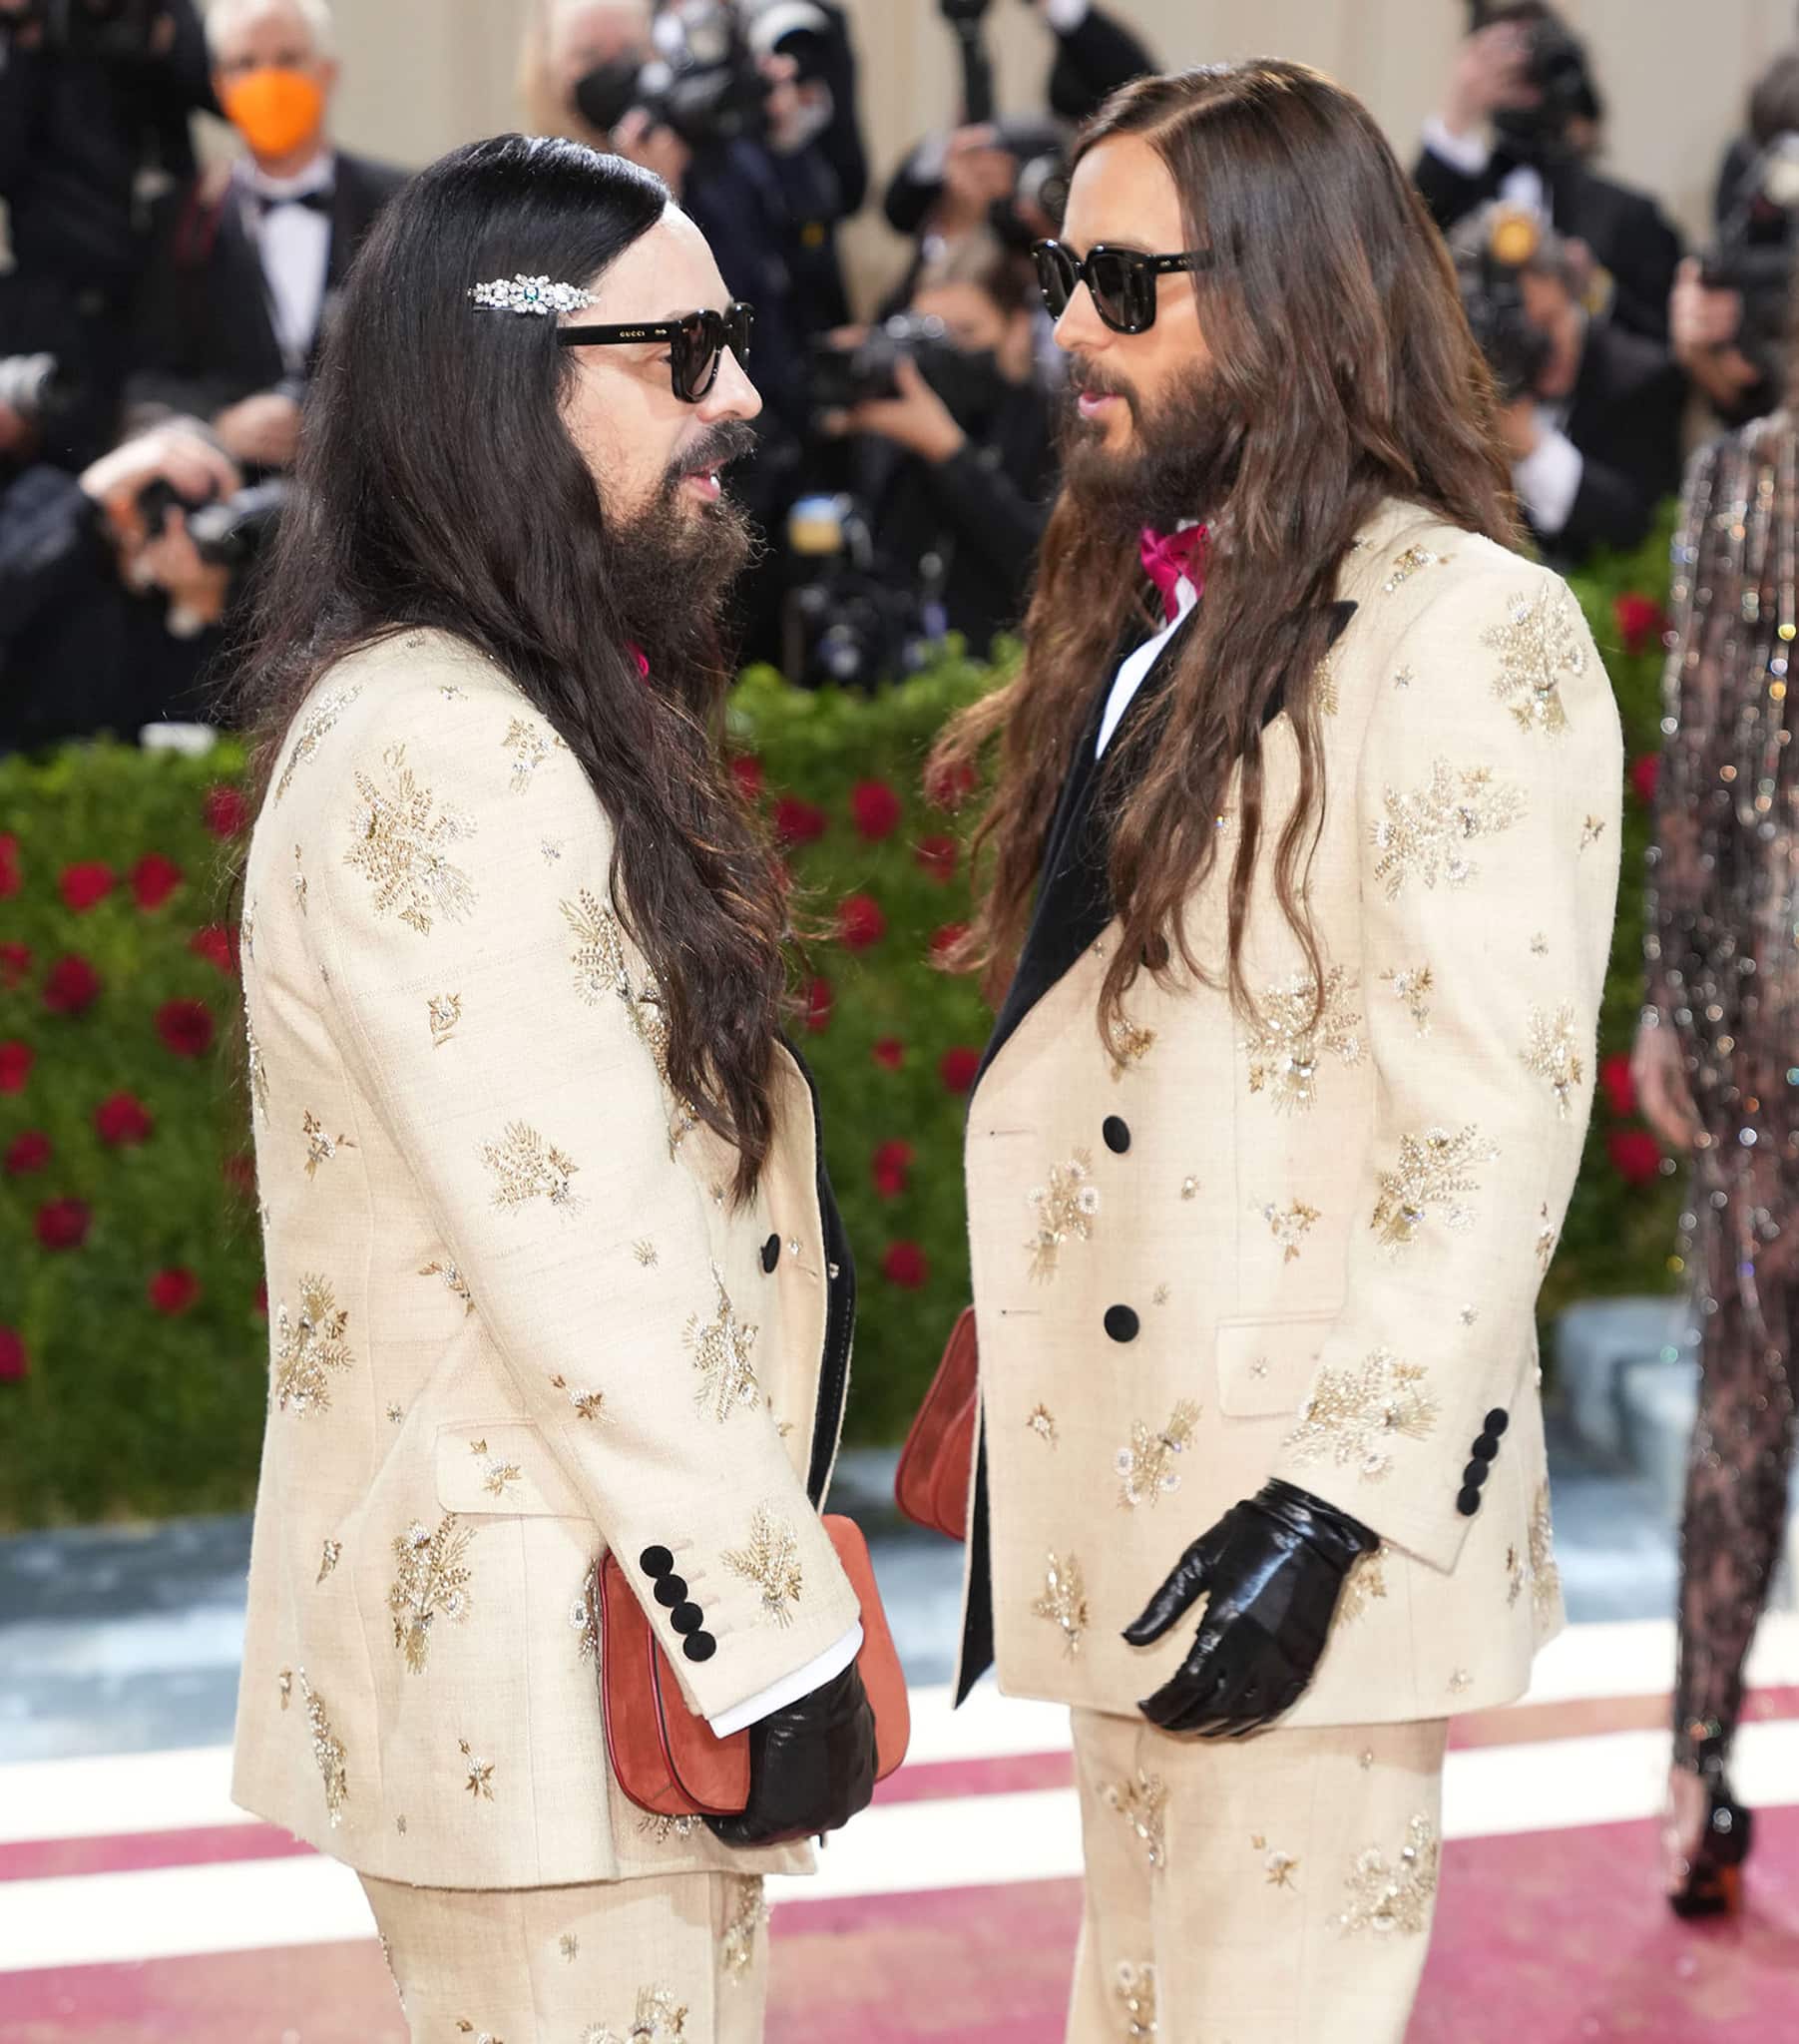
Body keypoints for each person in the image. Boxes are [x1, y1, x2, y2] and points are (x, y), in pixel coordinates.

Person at [929, 62, 1619, 2041]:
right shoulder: (1160, 612)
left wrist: (1329, 1510)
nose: (1066, 325)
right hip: (1139, 1494)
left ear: (1291, 296)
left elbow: (1487, 1128)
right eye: (1061, 268)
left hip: (1294, 1517)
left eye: (1122, 282)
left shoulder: (1467, 630)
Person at [225, 134, 875, 2038]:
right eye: (683, 351)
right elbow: (576, 1239)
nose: (739, 392)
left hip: (576, 1657)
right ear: (510, 375)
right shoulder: (437, 744)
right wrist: (769, 1629)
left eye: (733, 340)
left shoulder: (502, 705)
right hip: (554, 1667)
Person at [1631, 408, 1799, 1918]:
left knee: (1744, 1399)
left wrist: (1667, 1004)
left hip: (1764, 999)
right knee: (1739, 1400)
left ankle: (1694, 1771)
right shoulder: (1744, 476)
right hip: (1764, 1013)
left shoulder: (1751, 475)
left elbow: (1705, 771)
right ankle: (1691, 1768)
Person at [126, 0, 406, 473]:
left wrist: (329, 424)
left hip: (373, 504)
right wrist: (220, 424)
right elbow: (145, 381)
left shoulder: (401, 207)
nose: (268, 80)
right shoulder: (179, 219)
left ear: (326, 72)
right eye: (245, 64)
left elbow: (436, 366)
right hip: (233, 511)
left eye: (288, 59)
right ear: (220, 85)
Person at [0, 0, 216, 470]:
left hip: (163, 296)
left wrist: (162, 35)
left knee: (172, 463)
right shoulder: (31, 29)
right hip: (57, 303)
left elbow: (223, 88)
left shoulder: (157, 14)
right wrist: (19, 34)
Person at [822, 234, 1057, 653]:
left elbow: (1043, 567)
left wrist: (948, 453)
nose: (945, 354)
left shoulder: (1054, 427)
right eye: (928, 334)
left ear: (1019, 328)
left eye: (965, 333)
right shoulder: (900, 419)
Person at [1412, 4, 1680, 344]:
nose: (1521, 68)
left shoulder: (1631, 218)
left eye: (1536, 59)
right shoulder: (1451, 197)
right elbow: (1402, 253)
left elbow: (1663, 354)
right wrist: (1457, 113)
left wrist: (1596, 293)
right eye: (1504, 59)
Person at [1449, 205, 1684, 565]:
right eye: (1520, 332)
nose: (1542, 347)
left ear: (1575, 296)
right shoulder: (1463, 391)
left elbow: (1641, 526)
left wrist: (1530, 445)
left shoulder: (1643, 376)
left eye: (1549, 320)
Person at [0, 419, 242, 752]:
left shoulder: (227, 569)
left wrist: (195, 610)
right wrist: (91, 494)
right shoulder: (46, 499)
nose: (175, 517)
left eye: (196, 505)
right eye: (161, 492)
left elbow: (199, 731)